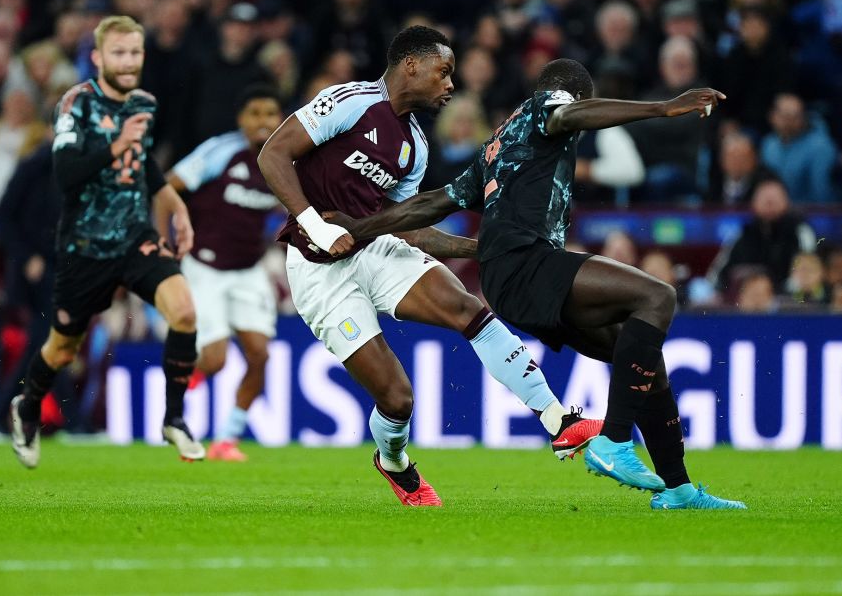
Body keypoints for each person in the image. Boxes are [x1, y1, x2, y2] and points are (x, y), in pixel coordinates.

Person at [323, 59, 745, 510]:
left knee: (642, 358)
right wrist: (663, 109)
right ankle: (614, 442)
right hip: (529, 264)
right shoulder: (547, 105)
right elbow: (566, 115)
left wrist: (361, 227)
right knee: (657, 296)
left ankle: (678, 490)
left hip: (509, 281)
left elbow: (431, 203)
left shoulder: (496, 145)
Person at [256, 27, 599, 507]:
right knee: (398, 400)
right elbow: (273, 153)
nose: (451, 84)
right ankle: (393, 461)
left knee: (467, 308)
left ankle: (557, 419)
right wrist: (313, 223)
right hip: (318, 271)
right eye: (444, 71)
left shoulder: (414, 146)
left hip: (373, 250)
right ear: (411, 64)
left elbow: (409, 228)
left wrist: (489, 247)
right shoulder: (350, 101)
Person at [10, 15, 204, 468]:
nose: (129, 61)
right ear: (97, 57)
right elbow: (66, 174)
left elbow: (144, 167)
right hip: (85, 247)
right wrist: (116, 144)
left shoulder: (144, 104)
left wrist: (175, 205)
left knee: (185, 311)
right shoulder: (76, 104)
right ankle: (26, 405)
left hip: (135, 237)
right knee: (61, 347)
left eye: (135, 52)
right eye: (119, 52)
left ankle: (174, 418)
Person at [164, 85, 284, 462]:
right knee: (215, 360)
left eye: (270, 113)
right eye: (255, 113)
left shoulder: (286, 159)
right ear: (241, 120)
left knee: (260, 355)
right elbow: (169, 185)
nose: (263, 121)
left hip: (248, 269)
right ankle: (180, 398)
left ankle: (226, 441)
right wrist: (168, 233)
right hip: (204, 267)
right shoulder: (222, 150)